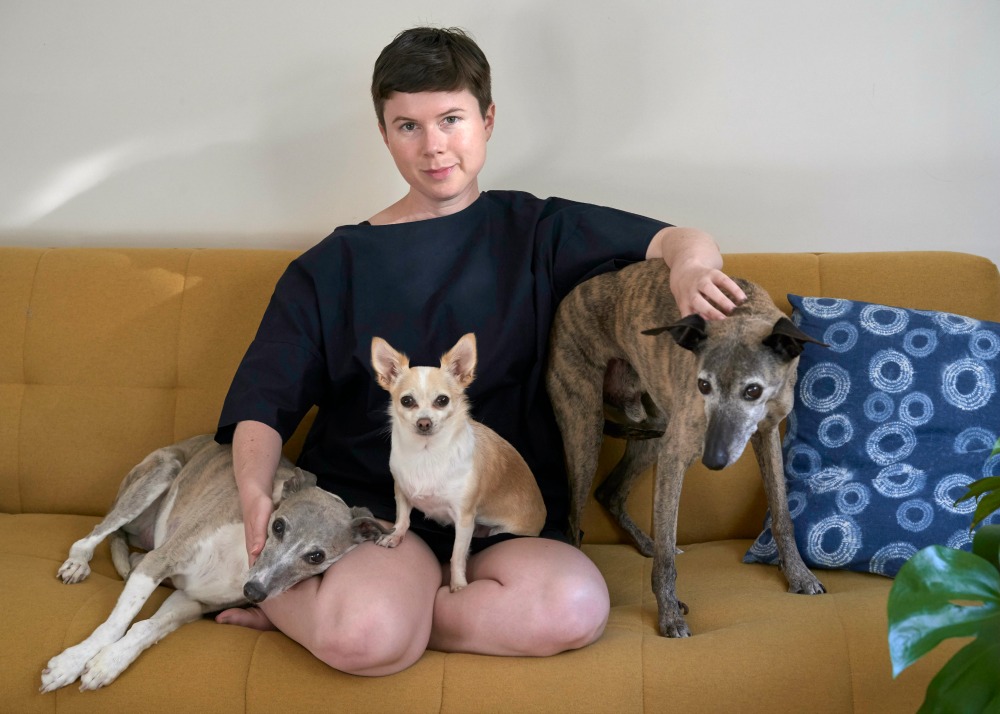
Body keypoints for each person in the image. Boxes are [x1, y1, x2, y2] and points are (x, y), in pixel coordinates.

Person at [213, 26, 746, 676]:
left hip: (502, 519)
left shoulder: (538, 229)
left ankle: (399, 611)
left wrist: (691, 271)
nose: (433, 145)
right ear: (384, 133)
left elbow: (680, 239)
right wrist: (251, 491)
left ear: (487, 120)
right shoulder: (332, 265)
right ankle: (350, 607)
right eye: (407, 125)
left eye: (451, 119)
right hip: (377, 517)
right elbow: (262, 405)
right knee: (364, 640)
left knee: (575, 606)